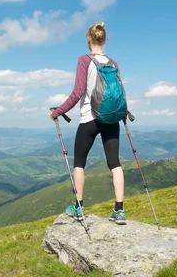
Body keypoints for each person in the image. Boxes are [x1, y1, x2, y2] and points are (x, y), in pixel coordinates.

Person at [50, 21, 128, 225]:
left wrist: (58, 111)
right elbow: (121, 91)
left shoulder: (84, 60)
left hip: (89, 118)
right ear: (104, 39)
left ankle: (78, 207)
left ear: (89, 39)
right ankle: (119, 210)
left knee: (79, 163)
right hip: (112, 118)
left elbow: (77, 92)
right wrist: (123, 111)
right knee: (115, 162)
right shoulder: (113, 63)